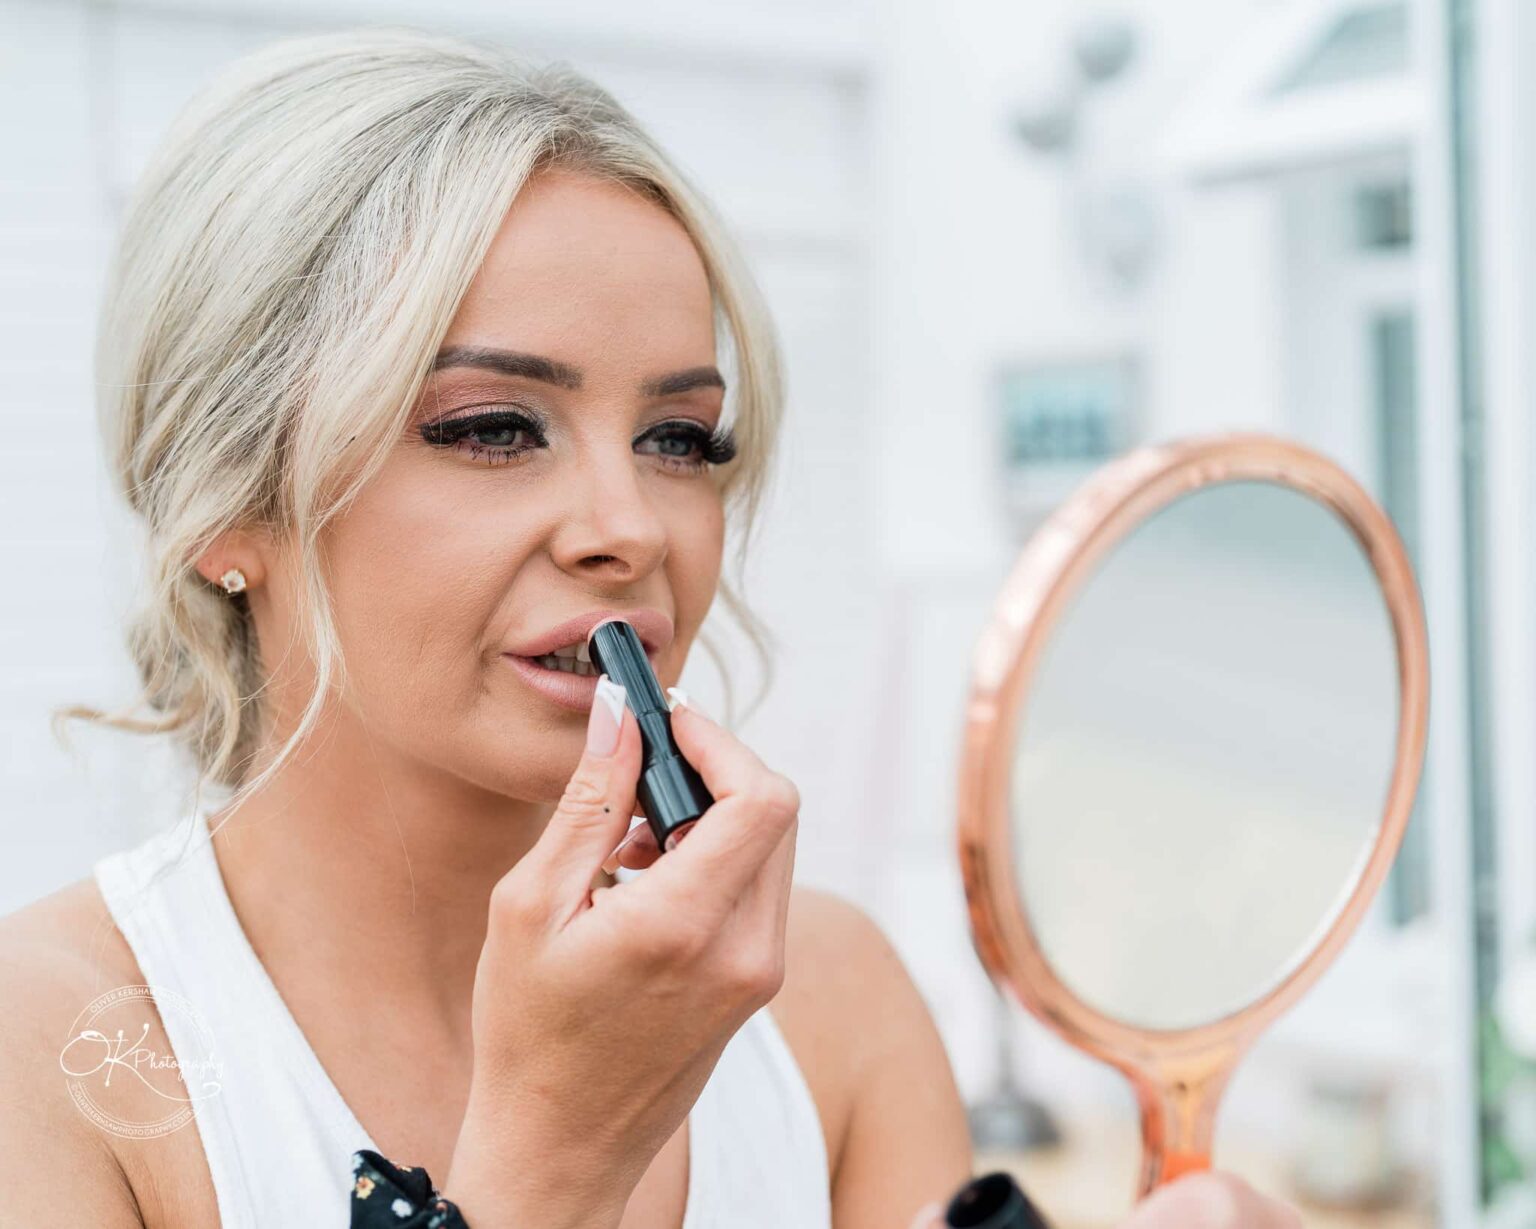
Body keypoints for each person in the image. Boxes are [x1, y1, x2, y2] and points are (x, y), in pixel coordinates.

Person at [0, 29, 1300, 1229]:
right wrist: (552, 1154)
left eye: (680, 437)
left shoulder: (829, 999)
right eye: (492, 427)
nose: (630, 525)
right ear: (227, 501)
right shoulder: (57, 1046)